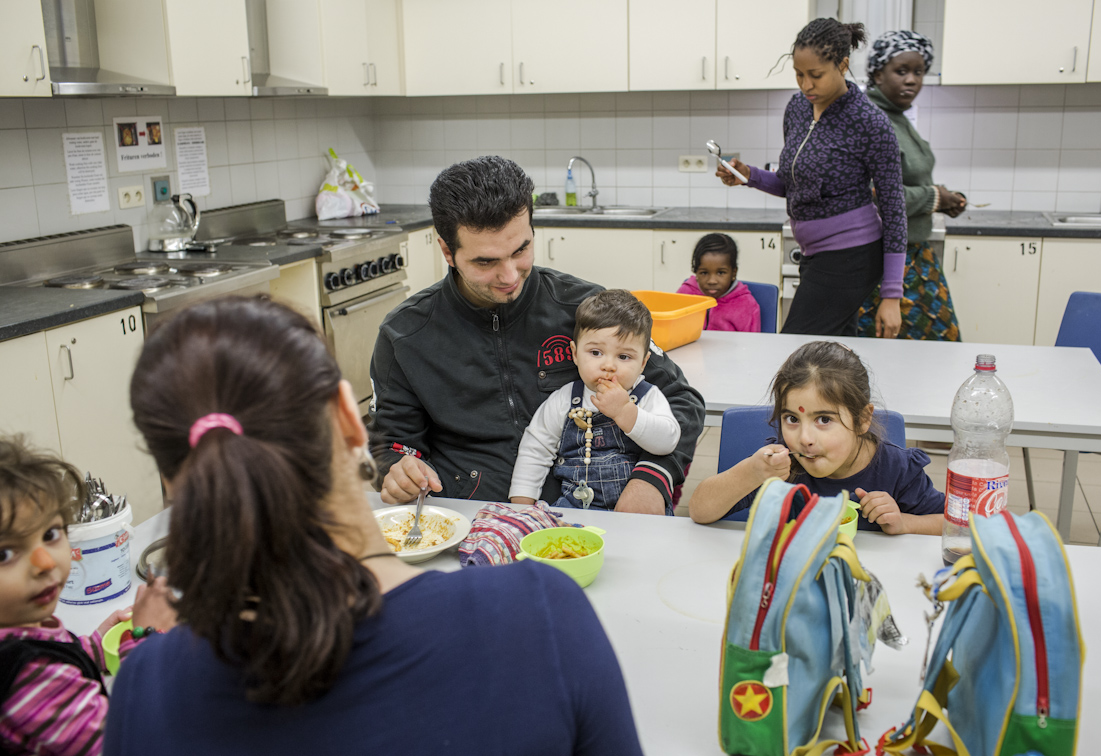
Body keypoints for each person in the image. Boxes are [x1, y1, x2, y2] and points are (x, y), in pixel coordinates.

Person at [105, 297, 644, 756]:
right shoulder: (540, 615)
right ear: (348, 417)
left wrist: (154, 645)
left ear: (174, 480)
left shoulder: (145, 688)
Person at [369, 156, 704, 516]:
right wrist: (398, 470)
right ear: (448, 251)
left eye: (521, 250)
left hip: (596, 512)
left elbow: (681, 401)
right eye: (486, 262)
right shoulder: (405, 335)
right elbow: (393, 445)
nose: (510, 275)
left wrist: (653, 477)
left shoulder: (586, 310)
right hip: (470, 515)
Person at [715, 19, 907, 339]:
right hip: (813, 254)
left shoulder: (870, 123)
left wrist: (892, 294)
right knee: (832, 357)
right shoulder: (798, 110)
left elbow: (894, 209)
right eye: (799, 74)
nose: (806, 85)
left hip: (852, 254)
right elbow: (794, 185)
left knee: (796, 347)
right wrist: (748, 176)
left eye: (815, 75)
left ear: (842, 65)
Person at [0, 435, 175, 756]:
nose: (45, 562)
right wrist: (146, 638)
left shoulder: (20, 627)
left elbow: (52, 654)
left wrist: (92, 646)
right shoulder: (30, 676)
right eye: (5, 554)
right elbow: (126, 742)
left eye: (50, 534)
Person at [688, 341, 944, 534]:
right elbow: (699, 511)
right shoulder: (782, 467)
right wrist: (751, 473)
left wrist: (905, 522)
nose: (805, 438)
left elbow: (955, 525)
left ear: (863, 419)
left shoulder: (898, 470)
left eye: (824, 420)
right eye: (792, 419)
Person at [509, 290, 680, 510]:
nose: (608, 365)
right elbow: (535, 450)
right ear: (575, 354)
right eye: (596, 352)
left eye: (624, 357)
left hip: (634, 508)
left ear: (644, 362)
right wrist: (521, 505)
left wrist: (624, 412)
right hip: (574, 506)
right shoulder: (563, 400)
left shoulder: (647, 396)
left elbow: (667, 441)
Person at [855, 31, 964, 341]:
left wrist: (945, 198)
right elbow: (874, 195)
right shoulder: (874, 120)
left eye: (918, 72)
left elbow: (906, 180)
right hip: (888, 263)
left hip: (916, 257)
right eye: (901, 71)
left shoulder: (899, 118)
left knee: (931, 357)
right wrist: (935, 198)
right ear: (877, 73)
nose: (912, 80)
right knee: (907, 357)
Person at [676, 233, 761, 332]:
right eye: (704, 273)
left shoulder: (747, 305)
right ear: (696, 272)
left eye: (721, 273)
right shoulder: (684, 295)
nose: (712, 281)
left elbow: (752, 343)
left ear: (734, 272)